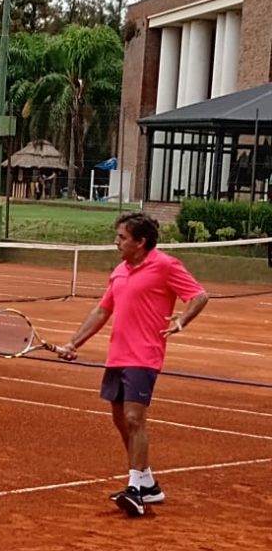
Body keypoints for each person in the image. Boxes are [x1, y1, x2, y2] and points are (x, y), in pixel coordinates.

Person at [59, 212, 209, 518]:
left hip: (145, 355)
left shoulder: (165, 265)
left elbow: (199, 295)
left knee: (134, 418)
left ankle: (135, 489)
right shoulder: (119, 271)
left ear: (140, 242)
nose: (116, 242)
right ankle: (148, 483)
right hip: (117, 355)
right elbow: (102, 311)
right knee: (120, 419)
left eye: (122, 237)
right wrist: (74, 343)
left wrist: (182, 320)